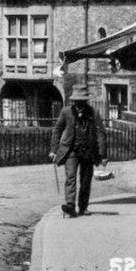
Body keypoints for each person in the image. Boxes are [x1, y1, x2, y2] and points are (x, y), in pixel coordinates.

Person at [49, 85, 106, 218]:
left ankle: (83, 207)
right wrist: (53, 150)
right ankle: (70, 205)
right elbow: (57, 130)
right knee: (71, 177)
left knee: (86, 180)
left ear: (85, 101)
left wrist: (102, 154)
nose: (78, 104)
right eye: (76, 101)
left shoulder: (93, 113)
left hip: (88, 151)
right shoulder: (66, 112)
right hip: (71, 150)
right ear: (73, 101)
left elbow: (100, 133)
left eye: (81, 101)